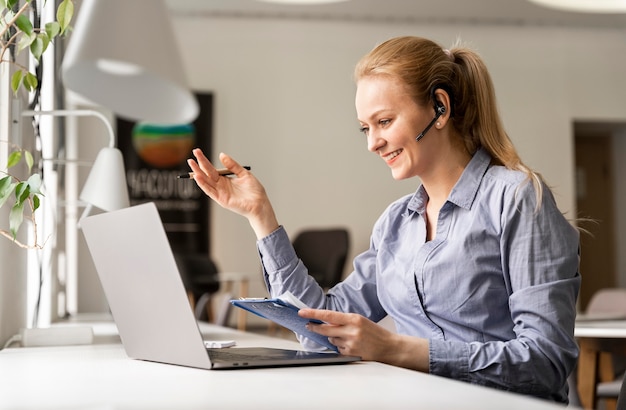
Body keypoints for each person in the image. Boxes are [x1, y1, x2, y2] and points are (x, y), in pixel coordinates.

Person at [186, 36, 580, 403]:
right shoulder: (396, 223)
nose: (372, 142)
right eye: (365, 128)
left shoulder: (516, 197)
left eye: (384, 122)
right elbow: (323, 324)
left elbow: (546, 361)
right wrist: (260, 215)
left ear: (439, 108)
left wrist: (394, 348)